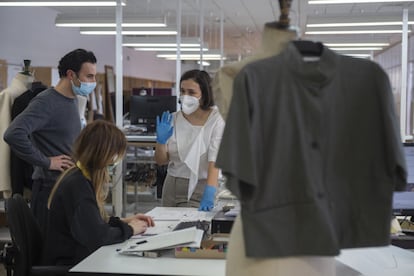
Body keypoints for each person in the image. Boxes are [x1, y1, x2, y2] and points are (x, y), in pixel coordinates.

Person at [3, 48, 97, 235]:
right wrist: (47, 162)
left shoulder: (71, 100)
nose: (93, 82)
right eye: (89, 76)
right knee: (50, 250)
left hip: (66, 185)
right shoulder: (46, 102)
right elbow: (13, 133)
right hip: (49, 187)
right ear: (71, 75)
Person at [43, 120, 155, 266]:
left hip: (76, 257)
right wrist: (130, 230)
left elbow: (91, 223)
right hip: (71, 264)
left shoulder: (78, 176)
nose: (115, 160)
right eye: (115, 154)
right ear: (103, 154)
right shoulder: (78, 187)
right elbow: (97, 237)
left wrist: (124, 221)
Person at [154, 69, 225, 211]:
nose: (185, 96)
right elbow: (161, 161)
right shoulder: (173, 119)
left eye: (192, 92)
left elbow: (214, 159)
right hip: (172, 185)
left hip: (200, 186)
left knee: (192, 230)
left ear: (205, 95)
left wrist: (210, 190)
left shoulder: (217, 119)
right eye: (182, 91)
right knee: (168, 229)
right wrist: (160, 142)